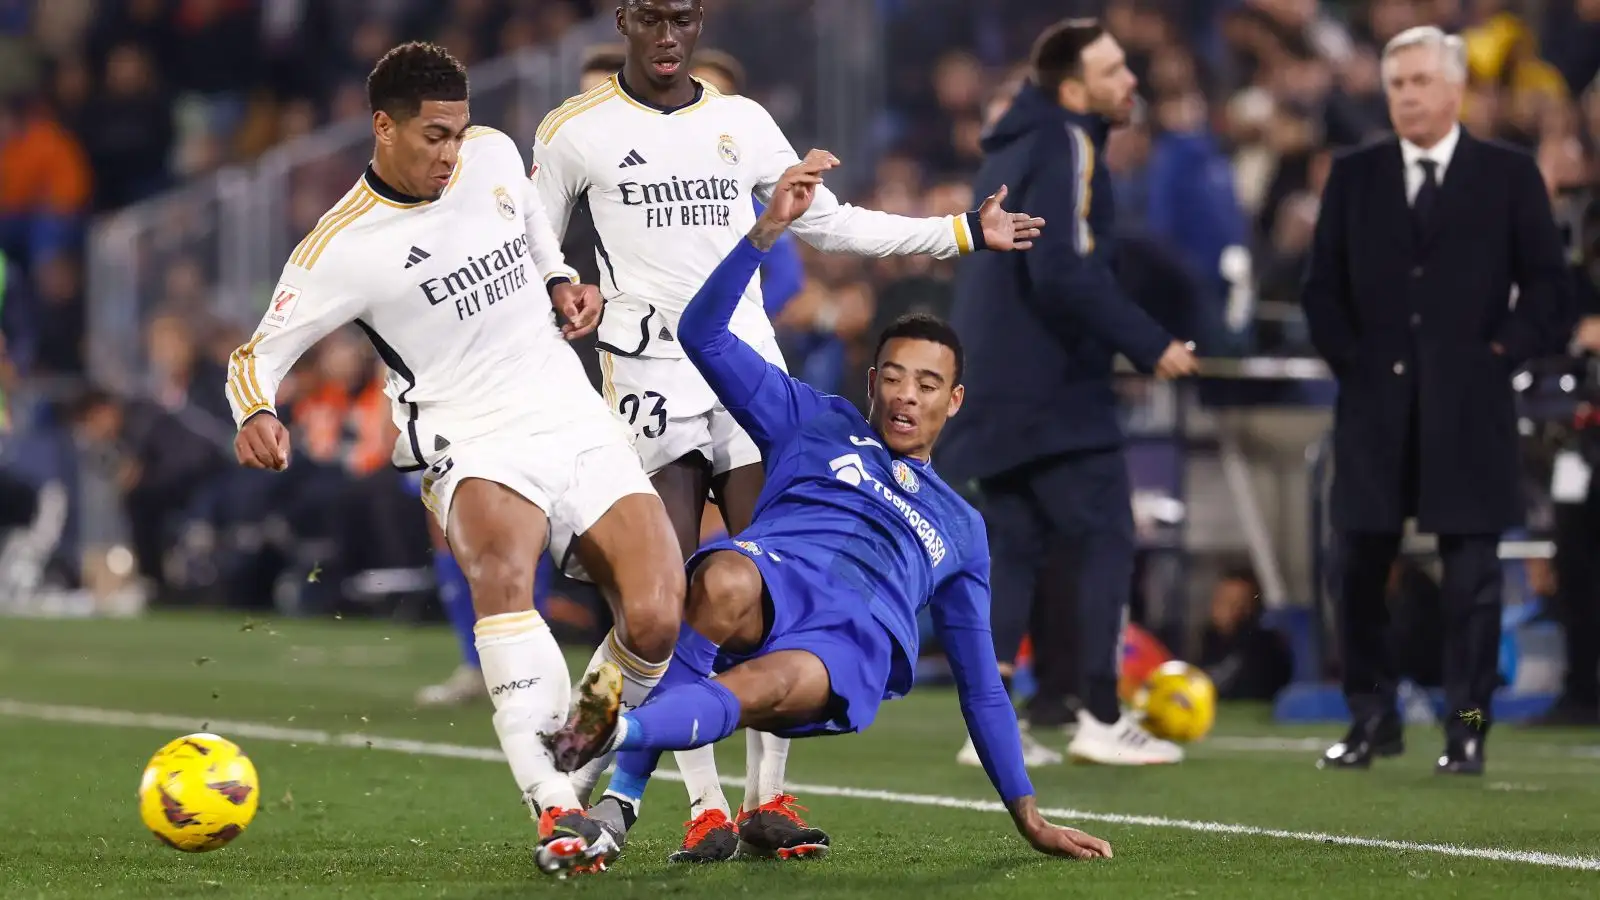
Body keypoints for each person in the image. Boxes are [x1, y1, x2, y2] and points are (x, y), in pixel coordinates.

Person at [531, 0, 1044, 862]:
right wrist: (559, 283)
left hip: (746, 377)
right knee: (659, 609)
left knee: (777, 581)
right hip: (650, 377)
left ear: (699, 23)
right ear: (625, 18)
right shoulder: (572, 130)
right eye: (652, 18)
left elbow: (830, 219)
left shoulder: (741, 122)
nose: (667, 36)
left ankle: (763, 800)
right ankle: (624, 795)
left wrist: (959, 232)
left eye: (684, 18)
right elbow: (534, 233)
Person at [224, 42, 684, 873]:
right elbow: (255, 356)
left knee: (655, 617)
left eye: (459, 132)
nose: (451, 153)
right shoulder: (342, 247)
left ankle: (575, 746)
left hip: (570, 414)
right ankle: (552, 810)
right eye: (434, 136)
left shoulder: (493, 155)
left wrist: (559, 279)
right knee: (505, 582)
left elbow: (535, 228)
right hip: (469, 436)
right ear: (383, 127)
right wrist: (256, 410)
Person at [1302, 26, 1572, 775]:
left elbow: (1551, 288)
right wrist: (1354, 363)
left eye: (1422, 81)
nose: (1409, 95)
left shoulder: (1508, 175)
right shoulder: (1354, 175)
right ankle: (1370, 719)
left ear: (1456, 89)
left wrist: (1500, 354)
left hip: (1470, 410)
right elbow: (1319, 289)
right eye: (1398, 83)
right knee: (1353, 569)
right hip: (1372, 412)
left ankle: (1469, 726)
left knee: (1475, 587)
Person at [938, 18, 1198, 768]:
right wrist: (1150, 342)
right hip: (1052, 387)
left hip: (992, 379)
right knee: (1105, 538)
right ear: (1075, 87)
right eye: (1115, 70)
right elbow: (1063, 269)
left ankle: (989, 725)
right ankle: (1100, 713)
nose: (1131, 81)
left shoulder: (1012, 145)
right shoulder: (1068, 141)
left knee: (1015, 547)